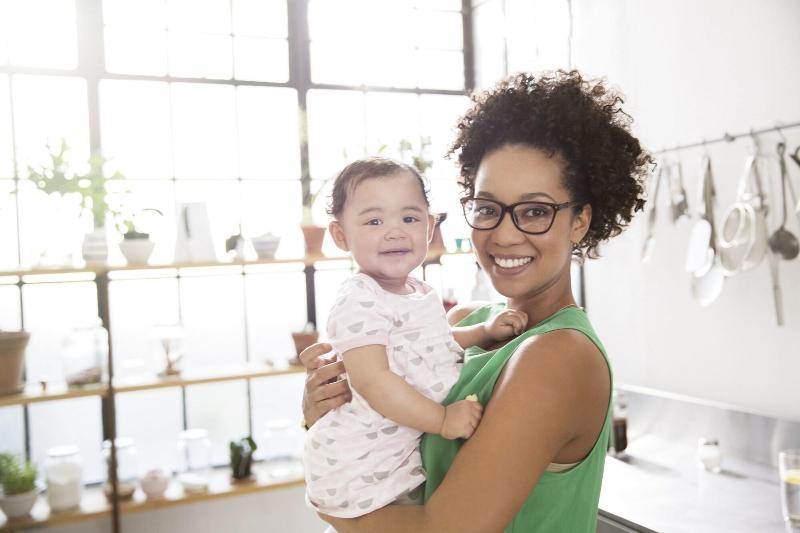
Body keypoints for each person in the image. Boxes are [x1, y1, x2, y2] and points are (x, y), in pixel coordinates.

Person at [300, 70, 651, 532]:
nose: (504, 234)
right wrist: (327, 411)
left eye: (535, 211)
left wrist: (329, 507)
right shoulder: (466, 322)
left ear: (581, 221)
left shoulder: (559, 357)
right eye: (487, 208)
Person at [304, 157, 529, 520]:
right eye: (374, 221)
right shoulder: (359, 299)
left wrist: (482, 332)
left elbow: (430, 347)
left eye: (409, 218)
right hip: (361, 468)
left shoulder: (416, 291)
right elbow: (374, 381)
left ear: (429, 227)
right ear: (341, 236)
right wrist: (442, 420)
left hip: (394, 462)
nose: (395, 232)